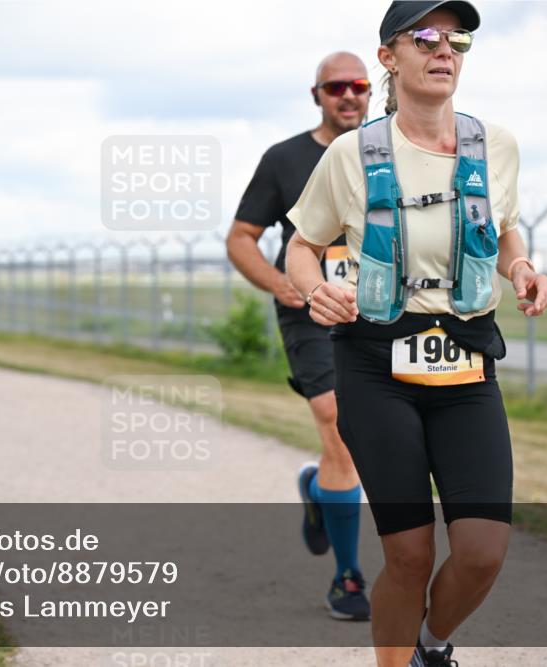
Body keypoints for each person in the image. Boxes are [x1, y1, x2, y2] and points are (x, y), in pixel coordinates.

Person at [285, 2, 547, 665]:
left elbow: (504, 226)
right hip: (375, 363)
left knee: (483, 551)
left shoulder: (496, 146)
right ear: (390, 58)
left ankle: (431, 644)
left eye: (456, 37)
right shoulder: (352, 156)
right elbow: (301, 245)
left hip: (465, 360)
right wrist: (315, 287)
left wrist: (519, 266)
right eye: (424, 37)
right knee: (408, 554)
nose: (444, 49)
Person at [226, 52, 372, 621]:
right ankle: (349, 576)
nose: (349, 95)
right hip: (311, 310)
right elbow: (241, 236)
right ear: (317, 95)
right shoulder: (284, 159)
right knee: (337, 420)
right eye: (336, 87)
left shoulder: (390, 150)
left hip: (380, 311)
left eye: (358, 85)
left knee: (375, 434)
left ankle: (319, 489)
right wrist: (281, 282)